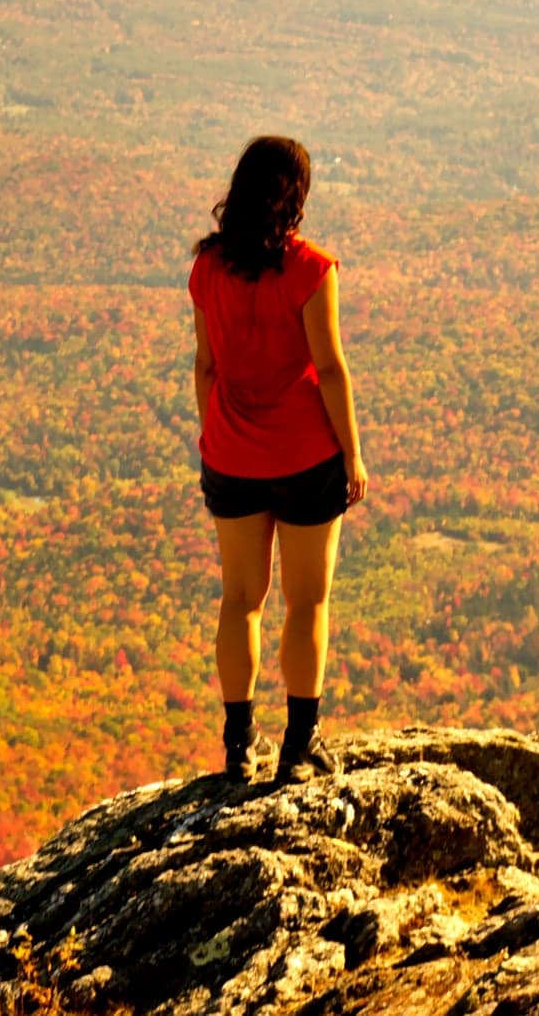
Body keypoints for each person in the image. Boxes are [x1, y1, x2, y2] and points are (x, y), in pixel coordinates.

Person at [188, 135, 368, 786]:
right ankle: (298, 747)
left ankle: (238, 749)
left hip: (231, 454)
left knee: (240, 600)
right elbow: (329, 369)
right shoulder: (312, 269)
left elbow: (205, 366)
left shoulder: (208, 269)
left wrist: (218, 434)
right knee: (307, 600)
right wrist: (352, 453)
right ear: (295, 197)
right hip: (305, 456)